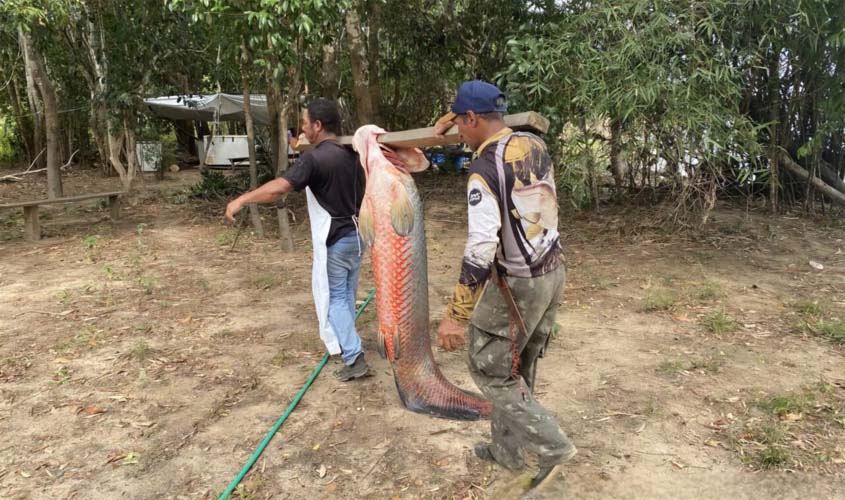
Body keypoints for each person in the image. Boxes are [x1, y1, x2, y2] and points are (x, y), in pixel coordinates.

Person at [433, 81, 576, 490]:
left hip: (518, 285)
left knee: (489, 369)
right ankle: (507, 451)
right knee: (519, 364)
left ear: (473, 118)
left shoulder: (482, 171)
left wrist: (455, 317)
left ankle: (553, 445)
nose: (458, 130)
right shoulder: (533, 145)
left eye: (461, 121)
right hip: (553, 273)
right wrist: (447, 121)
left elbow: (480, 247)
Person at [225, 98, 369, 382]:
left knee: (337, 299)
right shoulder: (353, 155)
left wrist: (243, 199)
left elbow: (279, 189)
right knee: (348, 294)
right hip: (359, 235)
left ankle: (354, 357)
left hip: (337, 240)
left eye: (305, 123)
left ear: (318, 125)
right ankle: (349, 343)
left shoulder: (315, 159)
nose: (302, 128)